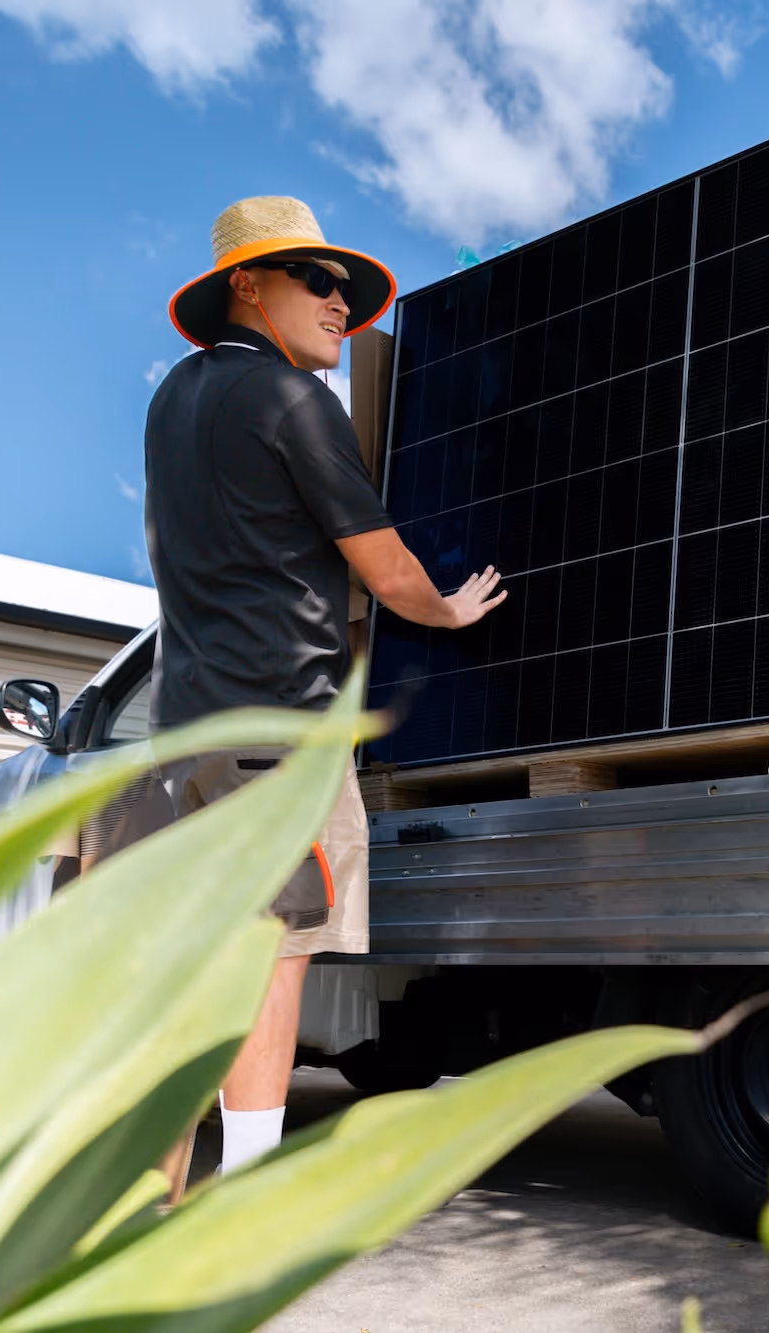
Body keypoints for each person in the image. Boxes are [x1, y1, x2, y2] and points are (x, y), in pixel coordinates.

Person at [149, 195, 504, 1174]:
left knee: (200, 954)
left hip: (187, 734)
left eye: (344, 288)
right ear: (247, 285)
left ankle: (156, 1180)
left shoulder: (173, 401)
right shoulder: (292, 401)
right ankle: (252, 1177)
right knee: (274, 951)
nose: (340, 301)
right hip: (283, 732)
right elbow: (384, 568)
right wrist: (448, 609)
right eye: (316, 279)